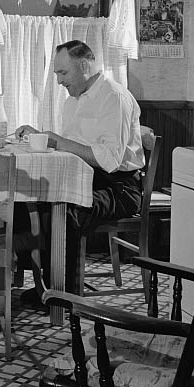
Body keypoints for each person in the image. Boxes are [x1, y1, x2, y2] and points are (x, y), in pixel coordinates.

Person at [14, 39, 144, 306]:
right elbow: (73, 150)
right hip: (85, 179)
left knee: (65, 211)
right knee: (23, 202)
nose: (60, 81)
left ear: (84, 65)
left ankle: (66, 295)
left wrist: (56, 140)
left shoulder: (114, 97)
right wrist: (40, 138)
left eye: (63, 73)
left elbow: (109, 159)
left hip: (119, 188)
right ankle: (44, 285)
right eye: (57, 74)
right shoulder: (73, 101)